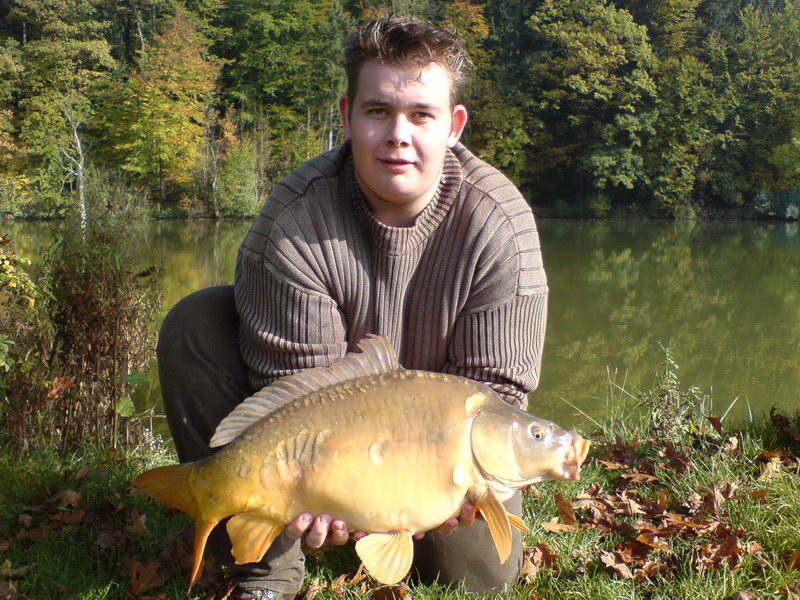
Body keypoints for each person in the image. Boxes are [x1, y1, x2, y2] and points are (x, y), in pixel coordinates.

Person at [157, 15, 548, 600]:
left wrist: (440, 487)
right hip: (333, 436)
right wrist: (317, 488)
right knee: (196, 322)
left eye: (421, 114)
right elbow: (295, 396)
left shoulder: (501, 227)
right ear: (346, 116)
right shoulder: (293, 222)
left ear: (454, 126)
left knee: (481, 575)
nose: (399, 134)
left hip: (439, 453)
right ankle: (264, 563)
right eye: (378, 112)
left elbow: (496, 397)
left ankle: (400, 540)